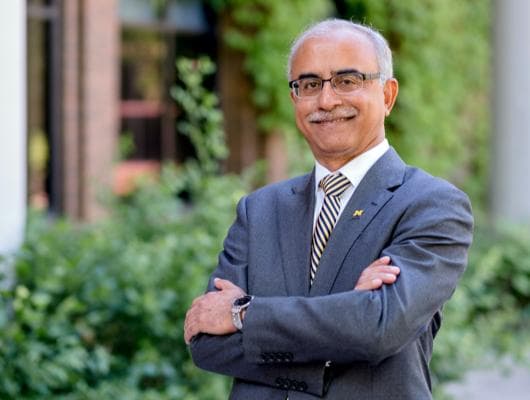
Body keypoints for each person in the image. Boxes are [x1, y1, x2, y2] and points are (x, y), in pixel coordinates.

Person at [184, 19, 473, 399]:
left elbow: (380, 327)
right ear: (294, 99)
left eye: (347, 80)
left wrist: (242, 314)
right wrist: (347, 318)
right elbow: (207, 342)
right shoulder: (259, 210)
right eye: (309, 84)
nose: (326, 100)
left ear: (387, 95)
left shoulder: (430, 205)